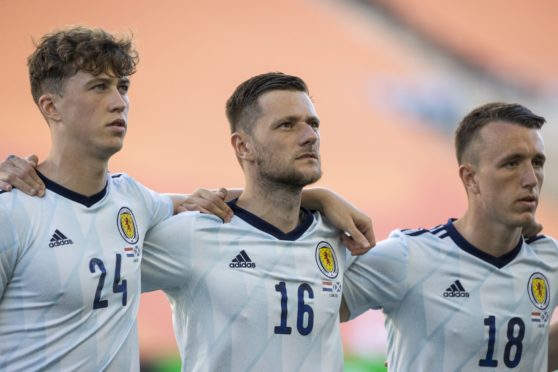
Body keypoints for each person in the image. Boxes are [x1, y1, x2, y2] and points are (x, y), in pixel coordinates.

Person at [0, 27, 373, 370]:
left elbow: (217, 200)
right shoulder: (12, 212)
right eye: (100, 87)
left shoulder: (134, 200)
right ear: (51, 106)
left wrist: (316, 197)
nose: (119, 102)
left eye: (124, 87)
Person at [140, 72, 353, 371]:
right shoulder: (192, 234)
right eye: (287, 125)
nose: (310, 136)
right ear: (243, 146)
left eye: (313, 123)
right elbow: (92, 277)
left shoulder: (338, 237)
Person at [341, 102, 558, 371]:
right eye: (511, 164)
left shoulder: (548, 259)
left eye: (537, 162)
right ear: (470, 178)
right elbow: (306, 309)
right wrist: (319, 199)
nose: (531, 179)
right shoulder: (409, 256)